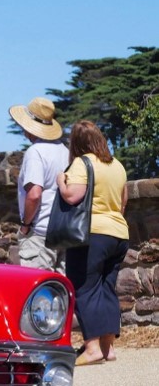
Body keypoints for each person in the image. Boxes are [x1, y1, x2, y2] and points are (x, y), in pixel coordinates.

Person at [55, 120, 129, 366]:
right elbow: (122, 201)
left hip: (92, 234)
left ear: (77, 142)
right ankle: (108, 348)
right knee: (107, 288)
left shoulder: (82, 163)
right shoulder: (116, 165)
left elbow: (73, 195)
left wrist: (60, 182)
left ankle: (92, 348)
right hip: (118, 233)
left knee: (84, 288)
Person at [9, 97, 69, 271]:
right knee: (60, 292)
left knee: (36, 292)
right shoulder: (64, 151)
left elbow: (34, 194)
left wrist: (25, 225)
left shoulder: (35, 152)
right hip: (64, 231)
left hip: (40, 232)